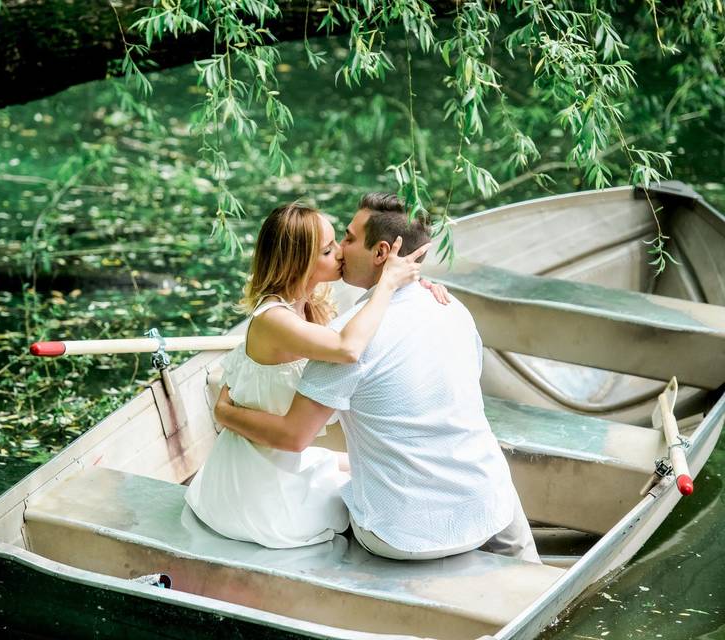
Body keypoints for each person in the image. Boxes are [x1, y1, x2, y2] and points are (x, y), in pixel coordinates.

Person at [214, 193, 539, 563]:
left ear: (382, 253)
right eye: (331, 246)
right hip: (491, 508)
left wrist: (223, 414)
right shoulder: (451, 307)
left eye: (347, 239)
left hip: (402, 535)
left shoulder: (344, 337)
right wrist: (404, 285)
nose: (339, 251)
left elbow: (298, 429)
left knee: (335, 483)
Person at [184, 202, 450, 549]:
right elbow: (347, 346)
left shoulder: (306, 308)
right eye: (328, 250)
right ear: (300, 263)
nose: (340, 252)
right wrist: (388, 284)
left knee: (373, 473)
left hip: (279, 457)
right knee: (367, 491)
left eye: (338, 241)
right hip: (259, 484)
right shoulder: (274, 320)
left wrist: (413, 285)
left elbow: (361, 323)